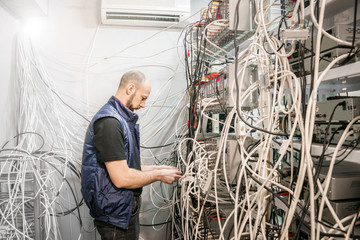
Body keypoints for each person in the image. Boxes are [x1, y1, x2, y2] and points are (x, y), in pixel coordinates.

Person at [81, 70, 182, 240]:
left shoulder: (121, 119)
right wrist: (158, 175)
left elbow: (126, 166)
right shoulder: (110, 123)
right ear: (130, 88)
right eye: (143, 97)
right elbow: (122, 177)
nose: (143, 105)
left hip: (123, 211)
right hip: (114, 217)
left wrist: (160, 168)